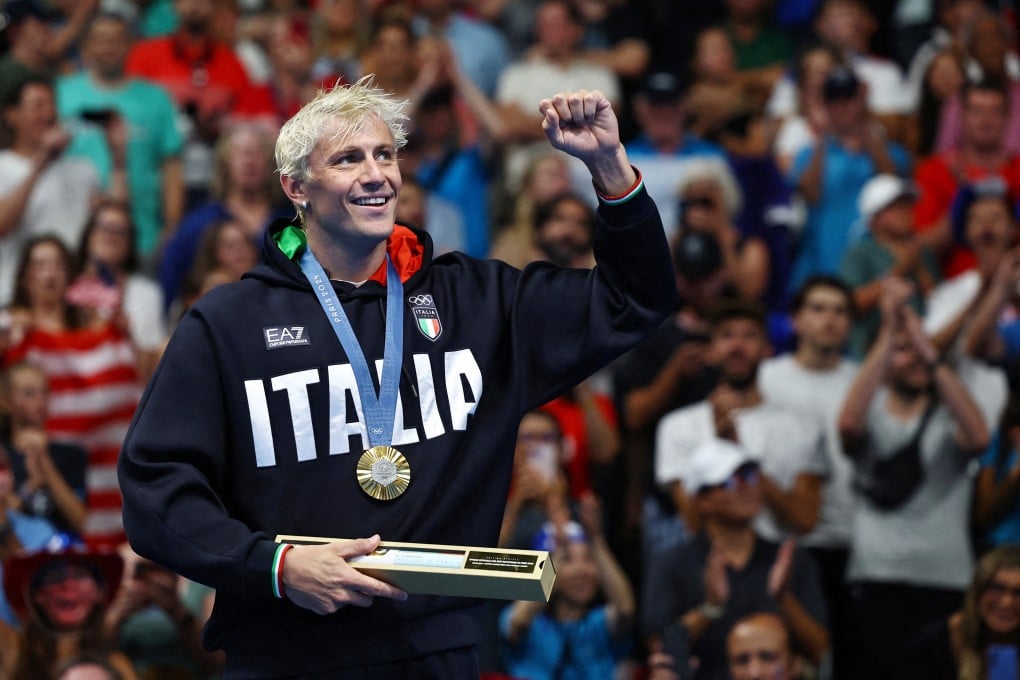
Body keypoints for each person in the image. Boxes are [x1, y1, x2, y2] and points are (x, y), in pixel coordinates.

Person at [117, 78, 678, 675]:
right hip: (284, 651)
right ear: (295, 187)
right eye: (348, 158)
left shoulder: (477, 302)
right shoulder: (228, 324)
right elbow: (155, 489)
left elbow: (635, 299)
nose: (375, 174)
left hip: (437, 651)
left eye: (385, 154)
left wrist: (610, 168)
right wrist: (274, 565)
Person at [837, 279, 992, 680]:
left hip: (945, 581)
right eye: (903, 351)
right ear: (883, 356)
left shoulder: (948, 417)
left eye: (921, 348)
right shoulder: (870, 415)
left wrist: (928, 349)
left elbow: (979, 437)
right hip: (875, 578)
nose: (916, 359)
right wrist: (890, 329)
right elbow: (849, 424)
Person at [642, 439, 829, 680]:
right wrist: (709, 609)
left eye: (751, 477)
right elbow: (661, 652)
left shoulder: (790, 558)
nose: (746, 488)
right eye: (730, 481)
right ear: (703, 500)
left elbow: (821, 651)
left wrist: (785, 600)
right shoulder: (672, 563)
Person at [655, 299, 827, 542]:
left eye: (749, 336)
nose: (737, 346)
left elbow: (805, 521)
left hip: (779, 568)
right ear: (710, 351)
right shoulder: (677, 427)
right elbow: (693, 523)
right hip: (706, 568)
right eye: (726, 336)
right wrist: (719, 447)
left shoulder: (801, 428)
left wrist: (738, 452)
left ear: (768, 350)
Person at [499, 494, 635, 680]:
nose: (582, 571)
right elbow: (518, 621)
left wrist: (596, 540)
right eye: (568, 560)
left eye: (588, 559)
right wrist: (556, 556)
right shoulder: (531, 623)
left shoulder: (599, 623)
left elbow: (625, 607)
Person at [2, 546, 136, 679]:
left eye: (80, 575)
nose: (68, 584)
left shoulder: (117, 664)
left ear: (99, 593)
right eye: (55, 576)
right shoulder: (12, 651)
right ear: (36, 595)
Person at [900, 545, 1020, 679]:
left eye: (1018, 593)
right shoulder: (933, 643)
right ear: (977, 591)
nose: (1006, 603)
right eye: (996, 588)